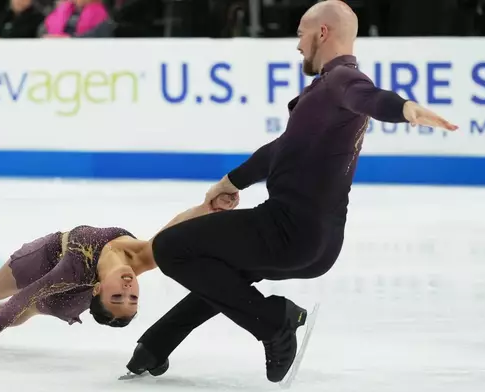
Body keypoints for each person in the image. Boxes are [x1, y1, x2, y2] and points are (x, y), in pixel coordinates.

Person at [123, 0, 458, 384]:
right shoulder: (323, 94)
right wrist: (230, 183)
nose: (298, 44)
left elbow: (367, 96)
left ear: (322, 33)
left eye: (301, 33)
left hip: (288, 231)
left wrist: (406, 109)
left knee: (170, 247)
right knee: (224, 271)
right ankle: (156, 344)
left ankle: (273, 323)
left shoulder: (340, 80)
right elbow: (279, 149)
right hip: (319, 243)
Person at [0, 193, 237, 368]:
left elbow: (22, 301)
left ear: (98, 291)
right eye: (132, 298)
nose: (127, 291)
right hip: (47, 255)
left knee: (28, 306)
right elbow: (174, 228)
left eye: (118, 299)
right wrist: (206, 207)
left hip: (70, 287)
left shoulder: (81, 277)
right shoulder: (139, 260)